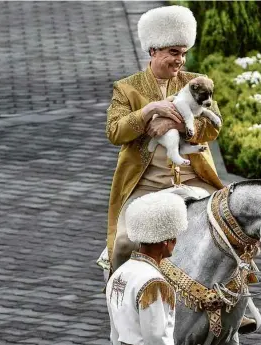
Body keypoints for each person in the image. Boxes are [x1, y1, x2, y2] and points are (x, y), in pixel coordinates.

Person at [104, 5, 224, 273]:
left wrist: (173, 122)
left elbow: (214, 126)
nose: (180, 60)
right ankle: (119, 299)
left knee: (231, 230)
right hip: (146, 183)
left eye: (183, 53)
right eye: (174, 53)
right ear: (153, 50)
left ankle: (235, 307)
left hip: (195, 178)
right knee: (124, 243)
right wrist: (148, 111)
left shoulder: (196, 81)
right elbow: (114, 132)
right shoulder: (127, 88)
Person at [106, 192, 187, 345]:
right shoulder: (154, 283)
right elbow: (157, 339)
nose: (175, 242)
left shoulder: (119, 274)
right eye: (173, 238)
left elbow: (114, 334)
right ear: (164, 242)